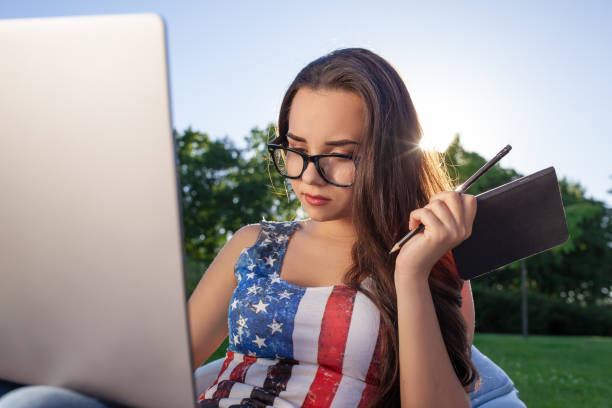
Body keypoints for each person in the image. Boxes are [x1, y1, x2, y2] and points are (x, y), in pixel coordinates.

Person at [0, 47, 525, 407]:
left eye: (339, 156)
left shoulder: (433, 265)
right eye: (294, 151)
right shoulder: (254, 244)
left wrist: (410, 273)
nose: (307, 177)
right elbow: (159, 369)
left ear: (391, 155)